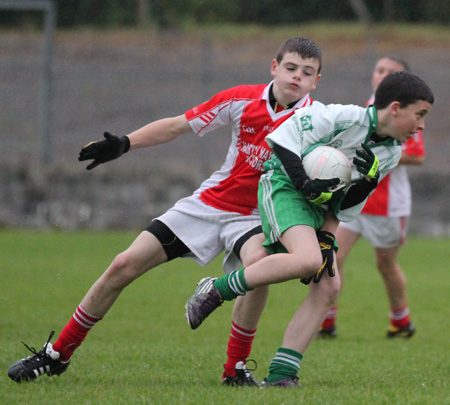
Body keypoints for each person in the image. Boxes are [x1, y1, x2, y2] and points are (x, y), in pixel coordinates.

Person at [7, 37, 324, 385]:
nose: (297, 77)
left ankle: (234, 368)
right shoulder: (241, 99)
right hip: (209, 205)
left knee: (259, 266)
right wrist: (125, 143)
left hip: (257, 216)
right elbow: (176, 126)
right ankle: (58, 353)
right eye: (291, 68)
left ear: (315, 82)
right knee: (122, 265)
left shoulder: (317, 121)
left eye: (307, 73)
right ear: (274, 67)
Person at [185, 71, 434, 387]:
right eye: (420, 115)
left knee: (329, 286)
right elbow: (282, 140)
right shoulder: (342, 117)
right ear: (396, 108)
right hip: (285, 188)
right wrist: (304, 182)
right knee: (306, 260)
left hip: (319, 212)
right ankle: (216, 289)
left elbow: (342, 207)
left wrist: (331, 235)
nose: (422, 126)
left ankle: (282, 375)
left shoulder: (391, 153)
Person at [318, 55, 424, 339]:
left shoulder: (408, 115)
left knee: (385, 265)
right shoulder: (365, 110)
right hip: (355, 201)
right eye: (380, 70)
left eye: (392, 72)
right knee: (331, 256)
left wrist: (382, 156)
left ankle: (401, 321)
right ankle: (325, 321)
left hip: (388, 206)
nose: (383, 75)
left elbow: (417, 154)